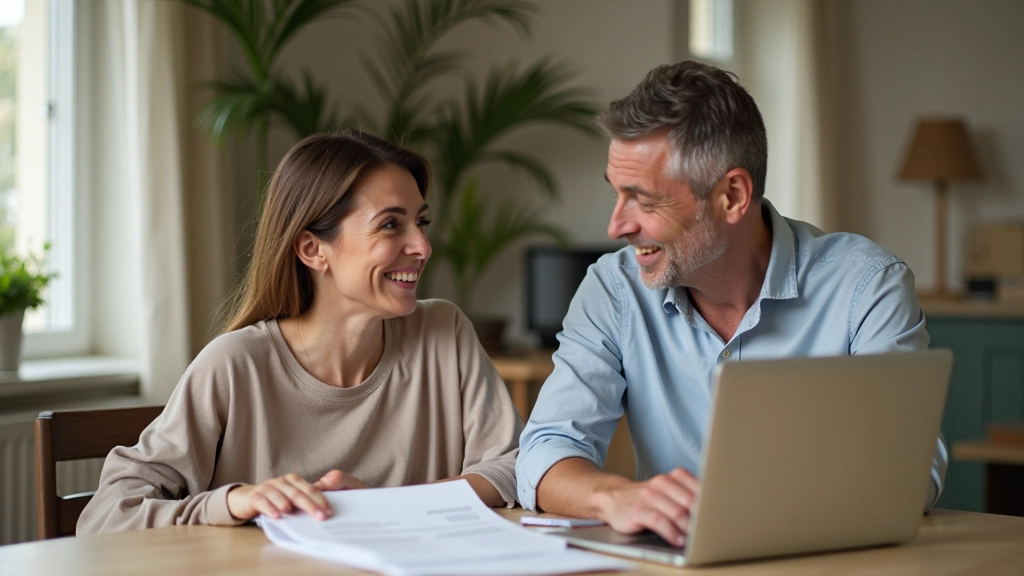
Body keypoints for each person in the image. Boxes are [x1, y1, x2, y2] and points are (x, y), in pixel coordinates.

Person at [515, 61, 948, 548]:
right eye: (616, 194)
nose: (617, 226)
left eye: (643, 200)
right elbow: (544, 453)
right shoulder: (613, 289)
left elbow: (910, 473)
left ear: (733, 195)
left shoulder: (866, 288)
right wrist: (613, 496)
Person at [79, 132, 523, 534]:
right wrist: (232, 502)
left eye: (420, 222)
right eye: (391, 224)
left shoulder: (444, 332)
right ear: (313, 249)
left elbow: (518, 465)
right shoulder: (234, 364)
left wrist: (389, 504)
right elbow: (107, 517)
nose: (422, 246)